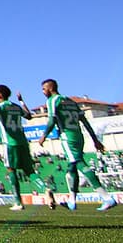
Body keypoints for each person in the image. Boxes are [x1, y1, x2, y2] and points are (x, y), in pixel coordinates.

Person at [38, 79, 117, 212]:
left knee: (79, 163)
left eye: (43, 89)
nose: (43, 92)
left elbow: (52, 119)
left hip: (67, 137)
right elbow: (84, 120)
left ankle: (107, 197)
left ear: (50, 88)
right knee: (72, 167)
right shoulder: (71, 102)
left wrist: (44, 135)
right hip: (78, 136)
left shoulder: (52, 101)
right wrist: (95, 140)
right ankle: (72, 200)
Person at [0, 85, 56, 210]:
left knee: (11, 170)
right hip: (23, 142)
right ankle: (45, 189)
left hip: (10, 143)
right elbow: (29, 116)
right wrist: (21, 101)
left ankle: (18, 202)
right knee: (29, 171)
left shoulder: (0, 106)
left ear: (0, 95)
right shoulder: (16, 106)